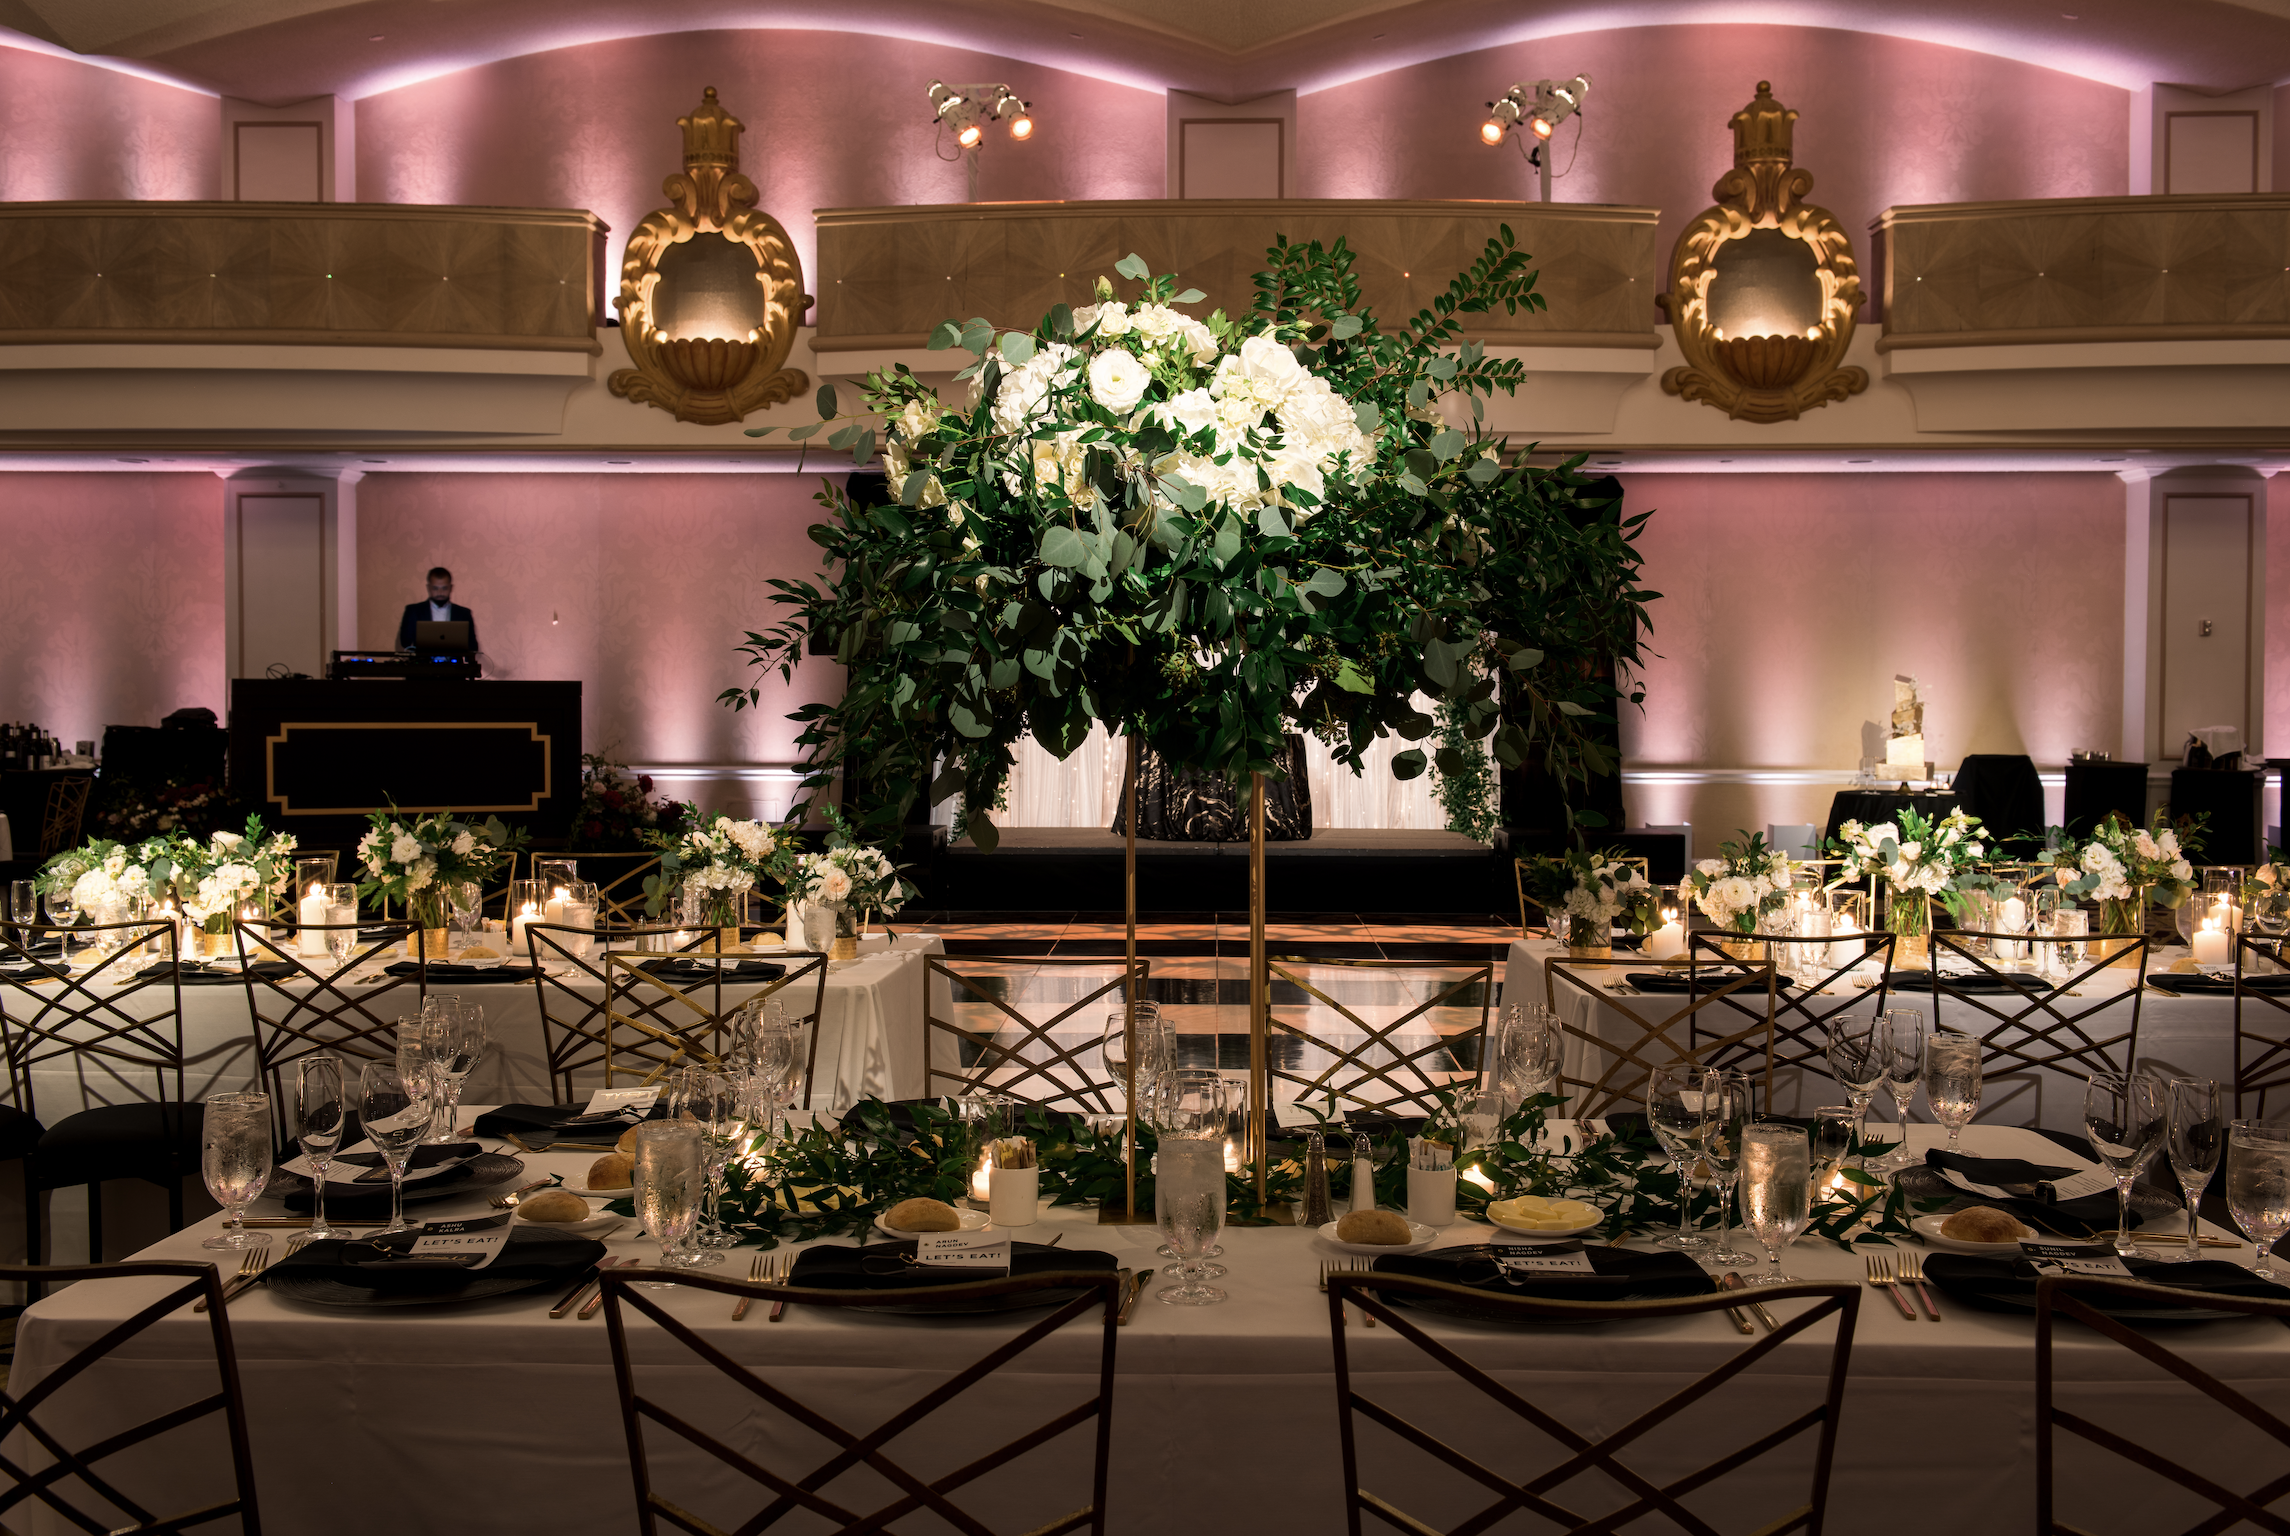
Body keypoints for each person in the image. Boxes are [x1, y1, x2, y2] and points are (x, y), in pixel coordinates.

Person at [396, 566, 479, 652]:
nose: (440, 592)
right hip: (423, 660)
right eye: (435, 588)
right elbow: (405, 642)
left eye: (444, 588)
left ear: (451, 588)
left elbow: (473, 646)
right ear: (428, 588)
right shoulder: (413, 611)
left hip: (453, 660)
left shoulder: (463, 613)